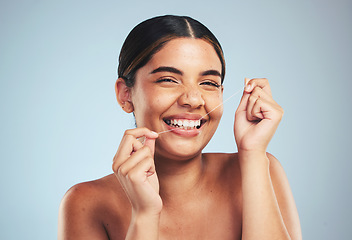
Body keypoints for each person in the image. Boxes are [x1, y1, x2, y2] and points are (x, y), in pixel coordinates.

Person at [58, 15, 302, 240]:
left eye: (208, 83)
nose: (193, 99)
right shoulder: (86, 203)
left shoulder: (261, 168)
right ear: (125, 94)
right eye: (168, 80)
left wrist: (252, 154)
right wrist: (145, 215)